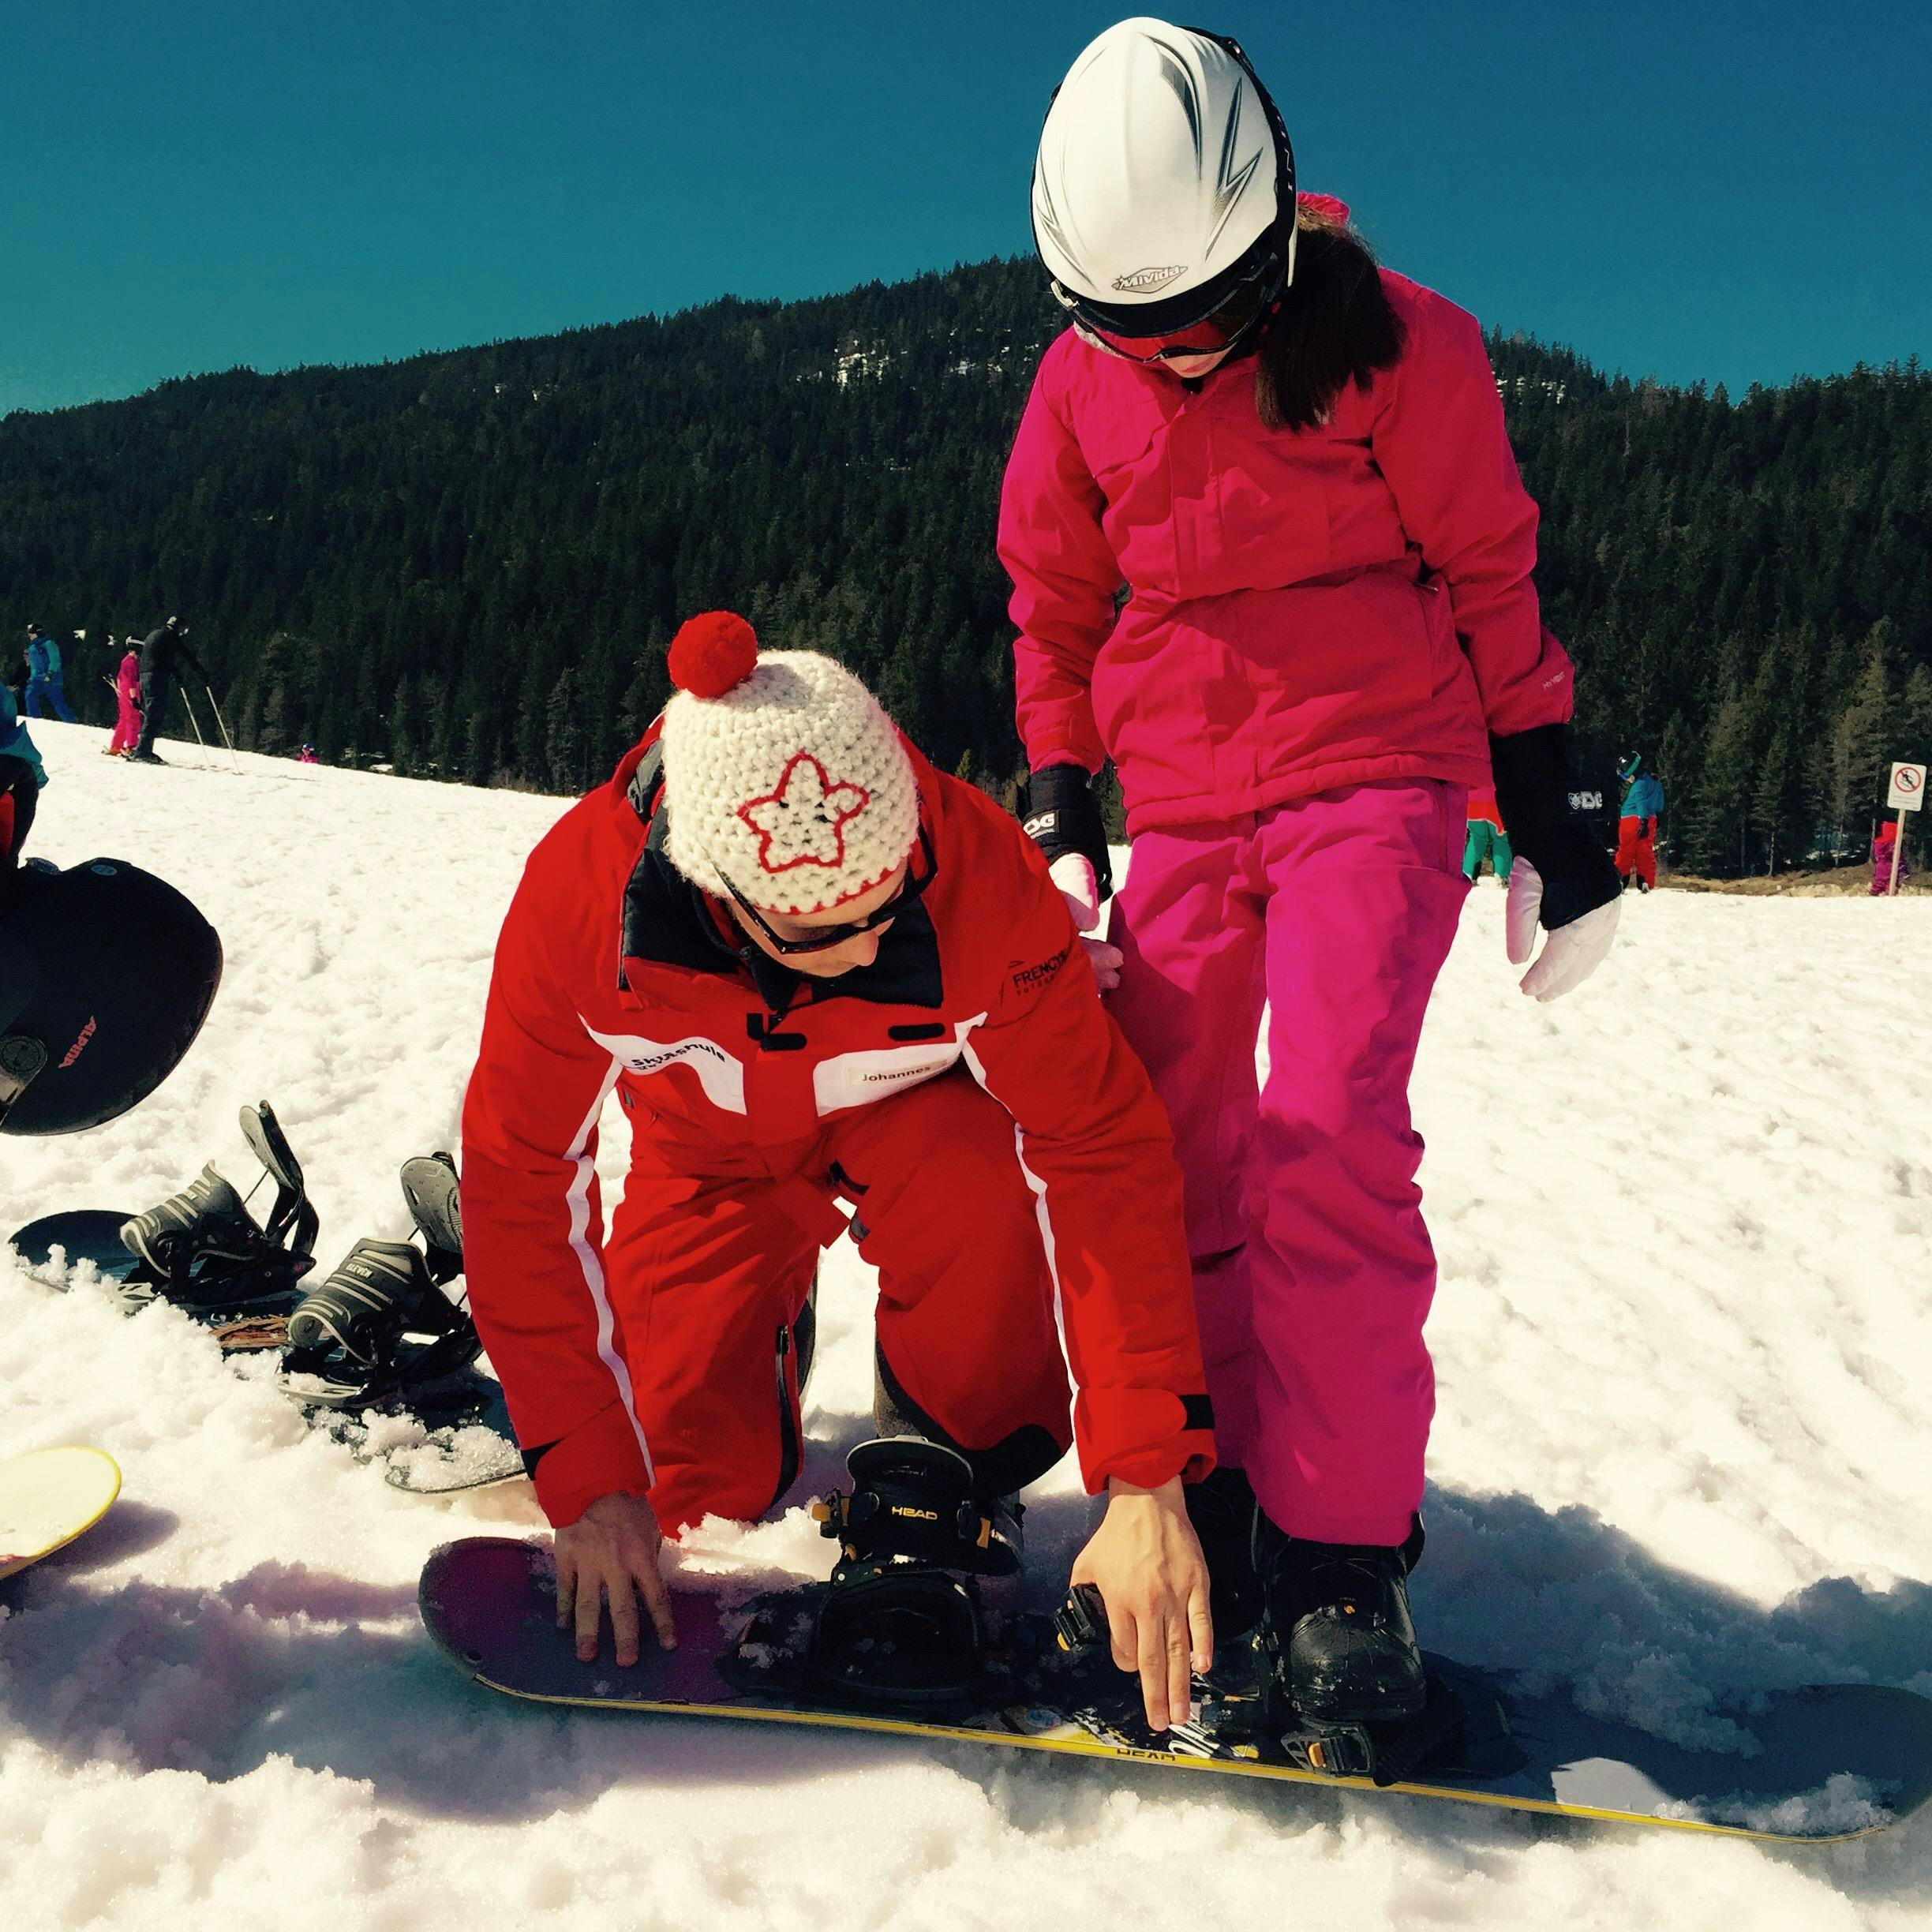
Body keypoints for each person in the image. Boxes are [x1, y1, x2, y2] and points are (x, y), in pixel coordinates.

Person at [999, 20, 1622, 1725]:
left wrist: (1551, 815)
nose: (1177, 363)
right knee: (1170, 1140)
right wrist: (1063, 800)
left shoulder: (1408, 347)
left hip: (1380, 774)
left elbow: (1492, 578)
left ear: (1272, 237)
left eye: (1202, 323)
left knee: (1327, 1132)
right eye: (1136, 334)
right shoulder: (1082, 390)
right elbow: (1051, 602)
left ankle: (1341, 1551)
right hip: (1188, 802)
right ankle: (1194, 1499)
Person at [461, 610, 1219, 1732]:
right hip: (708, 1155)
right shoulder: (580, 901)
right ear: (716, 889)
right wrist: (588, 1477)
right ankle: (762, 1342)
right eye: (825, 937)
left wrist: (1149, 1473)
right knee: (680, 1483)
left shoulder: (978, 874)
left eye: (889, 909)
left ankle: (948, 1457)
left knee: (987, 1180)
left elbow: (1097, 1149)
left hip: (917, 1133)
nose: (869, 947)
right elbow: (520, 1176)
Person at [132, 616, 209, 764]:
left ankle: (141, 748)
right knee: (155, 712)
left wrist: (176, 674)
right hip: (156, 677)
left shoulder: (157, 634)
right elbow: (186, 655)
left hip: (145, 676)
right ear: (178, 627)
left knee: (150, 712)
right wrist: (201, 672)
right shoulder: (170, 637)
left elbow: (162, 659)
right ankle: (143, 751)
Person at [1616, 754, 1664, 892]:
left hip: (1631, 819)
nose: (1626, 779)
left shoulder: (1638, 785)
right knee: (1645, 850)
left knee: (1626, 850)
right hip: (1651, 819)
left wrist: (1642, 820)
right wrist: (1653, 817)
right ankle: (1645, 881)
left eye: (1625, 775)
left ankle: (1621, 880)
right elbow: (1660, 804)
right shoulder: (1656, 783)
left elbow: (1640, 802)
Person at [21, 623, 77, 723]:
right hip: (37, 678)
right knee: (30, 695)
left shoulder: (49, 644)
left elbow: (55, 660)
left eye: (31, 632)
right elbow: (34, 666)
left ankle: (70, 721)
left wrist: (50, 673)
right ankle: (34, 720)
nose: (29, 635)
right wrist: (32, 677)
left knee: (57, 701)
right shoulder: (32, 648)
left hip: (52, 678)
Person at [1462, 791, 1514, 884]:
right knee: (1500, 839)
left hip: (1472, 801)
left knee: (1476, 839)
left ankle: (1468, 873)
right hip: (1495, 803)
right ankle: (1501, 875)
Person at [107, 642, 144, 756]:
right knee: (133, 719)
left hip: (123, 691)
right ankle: (131, 746)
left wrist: (120, 692)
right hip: (130, 692)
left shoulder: (125, 660)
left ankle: (116, 745)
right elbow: (132, 681)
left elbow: (119, 677)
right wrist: (134, 699)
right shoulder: (132, 663)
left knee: (124, 719)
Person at [1871, 820, 1911, 896]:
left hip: (1880, 866)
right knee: (1891, 884)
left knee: (1879, 882)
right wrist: (1903, 872)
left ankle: (1874, 893)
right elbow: (1898, 859)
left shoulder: (1879, 843)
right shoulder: (1893, 845)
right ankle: (1889, 897)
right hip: (1891, 867)